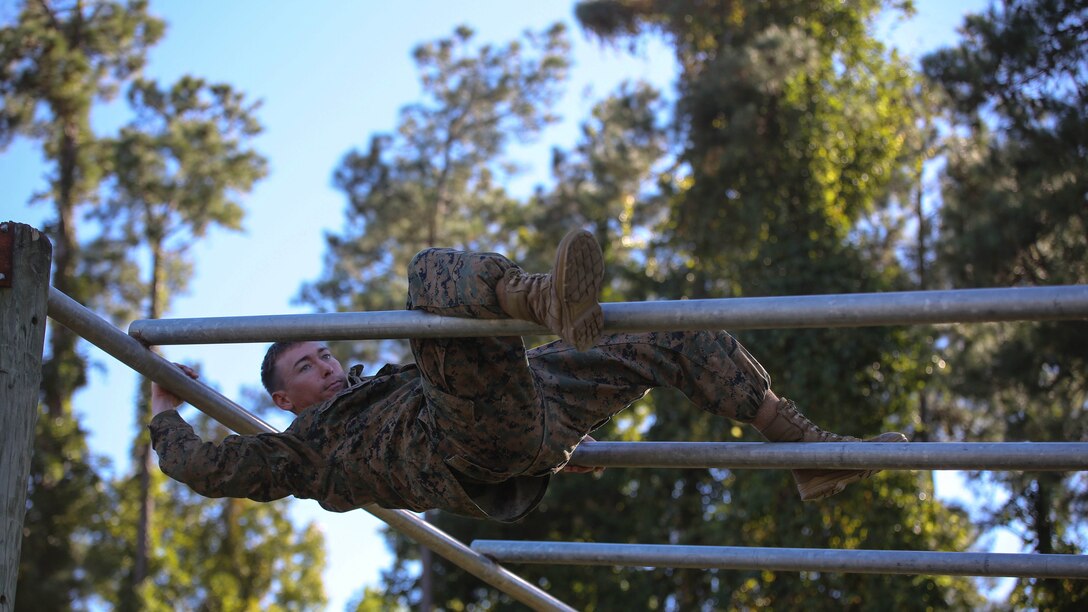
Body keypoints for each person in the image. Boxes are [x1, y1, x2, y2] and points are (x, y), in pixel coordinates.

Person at [150, 229, 907, 522]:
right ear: (282, 400)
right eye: (303, 368)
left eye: (319, 353)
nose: (322, 363)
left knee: (662, 328)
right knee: (429, 273)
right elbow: (207, 468)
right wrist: (164, 407)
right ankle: (541, 299)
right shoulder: (306, 450)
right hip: (466, 445)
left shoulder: (385, 375)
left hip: (530, 406)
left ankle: (803, 448)